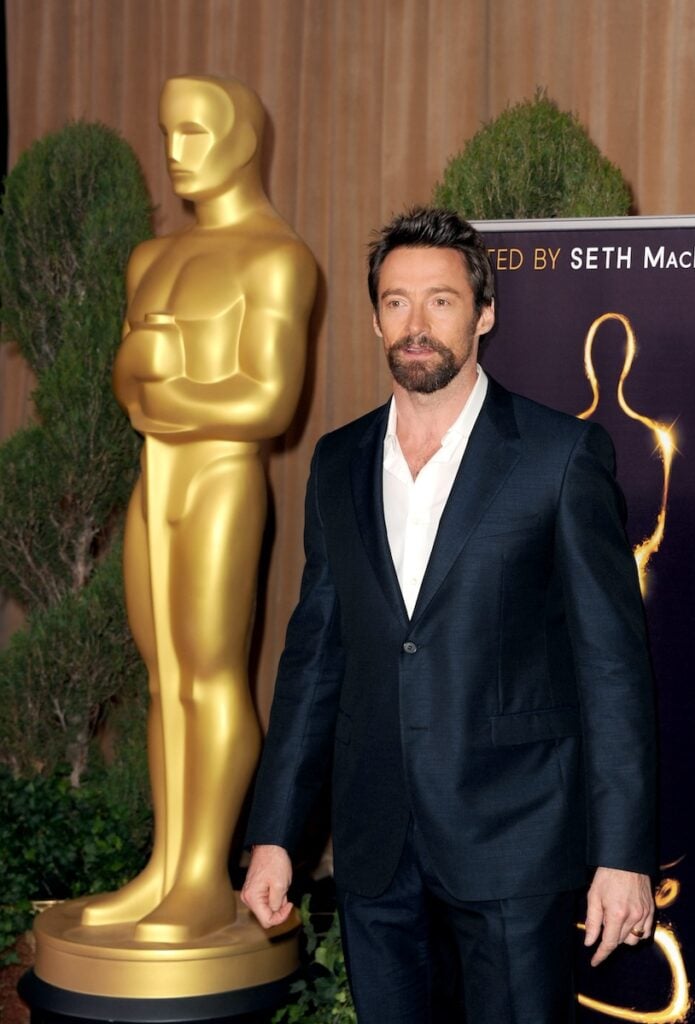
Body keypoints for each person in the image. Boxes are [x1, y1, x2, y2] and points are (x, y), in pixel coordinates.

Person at [242, 207, 656, 1022]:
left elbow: (611, 668)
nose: (416, 323)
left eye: (440, 300)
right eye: (396, 302)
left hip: (514, 833)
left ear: (484, 313)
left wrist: (620, 855)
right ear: (373, 319)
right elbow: (314, 660)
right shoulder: (337, 461)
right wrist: (275, 835)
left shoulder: (559, 455)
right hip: (373, 839)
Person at [81, 75, 316, 943]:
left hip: (219, 480)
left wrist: (164, 379)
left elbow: (268, 403)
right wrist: (158, 378)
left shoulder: (276, 258)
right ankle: (164, 868)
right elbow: (125, 389)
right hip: (160, 481)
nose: (175, 150)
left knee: (211, 673)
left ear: (243, 139)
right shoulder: (152, 258)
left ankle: (200, 877)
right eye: (167, 131)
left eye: (193, 131)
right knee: (162, 680)